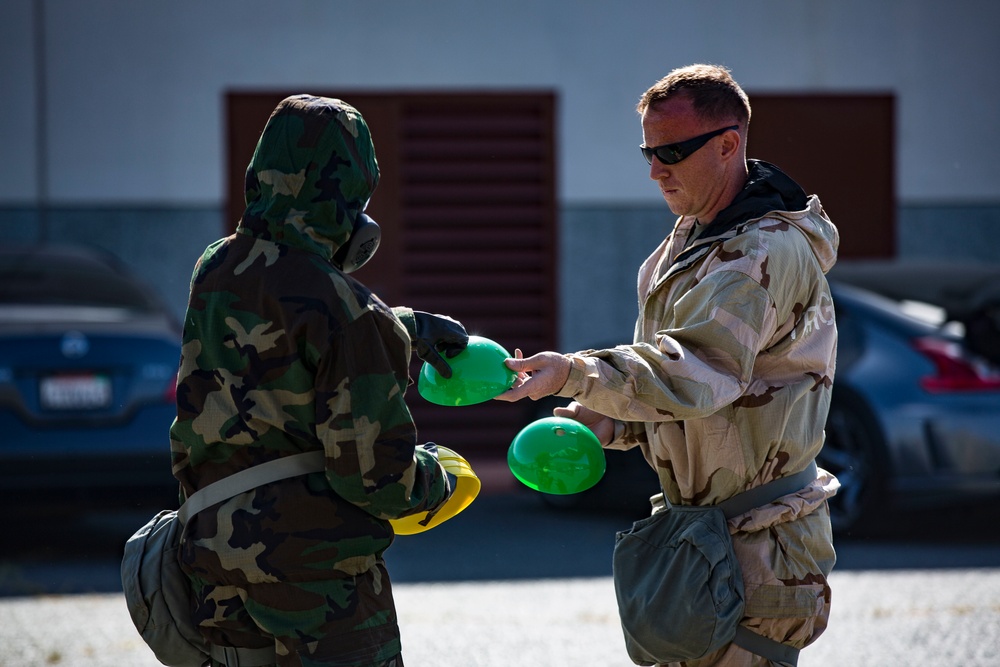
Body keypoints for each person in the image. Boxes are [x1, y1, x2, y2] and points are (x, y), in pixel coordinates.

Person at [497, 64, 840, 666]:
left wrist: (580, 375)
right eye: (648, 153)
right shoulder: (691, 238)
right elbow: (696, 396)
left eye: (673, 152)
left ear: (729, 144)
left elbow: (698, 371)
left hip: (758, 549)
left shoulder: (761, 249)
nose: (657, 169)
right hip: (701, 541)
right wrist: (611, 419)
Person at [169, 94, 468, 667]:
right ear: (349, 198)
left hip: (213, 565)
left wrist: (402, 327)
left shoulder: (216, 267)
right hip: (316, 588)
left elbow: (270, 334)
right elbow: (378, 481)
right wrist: (440, 476)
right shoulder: (349, 311)